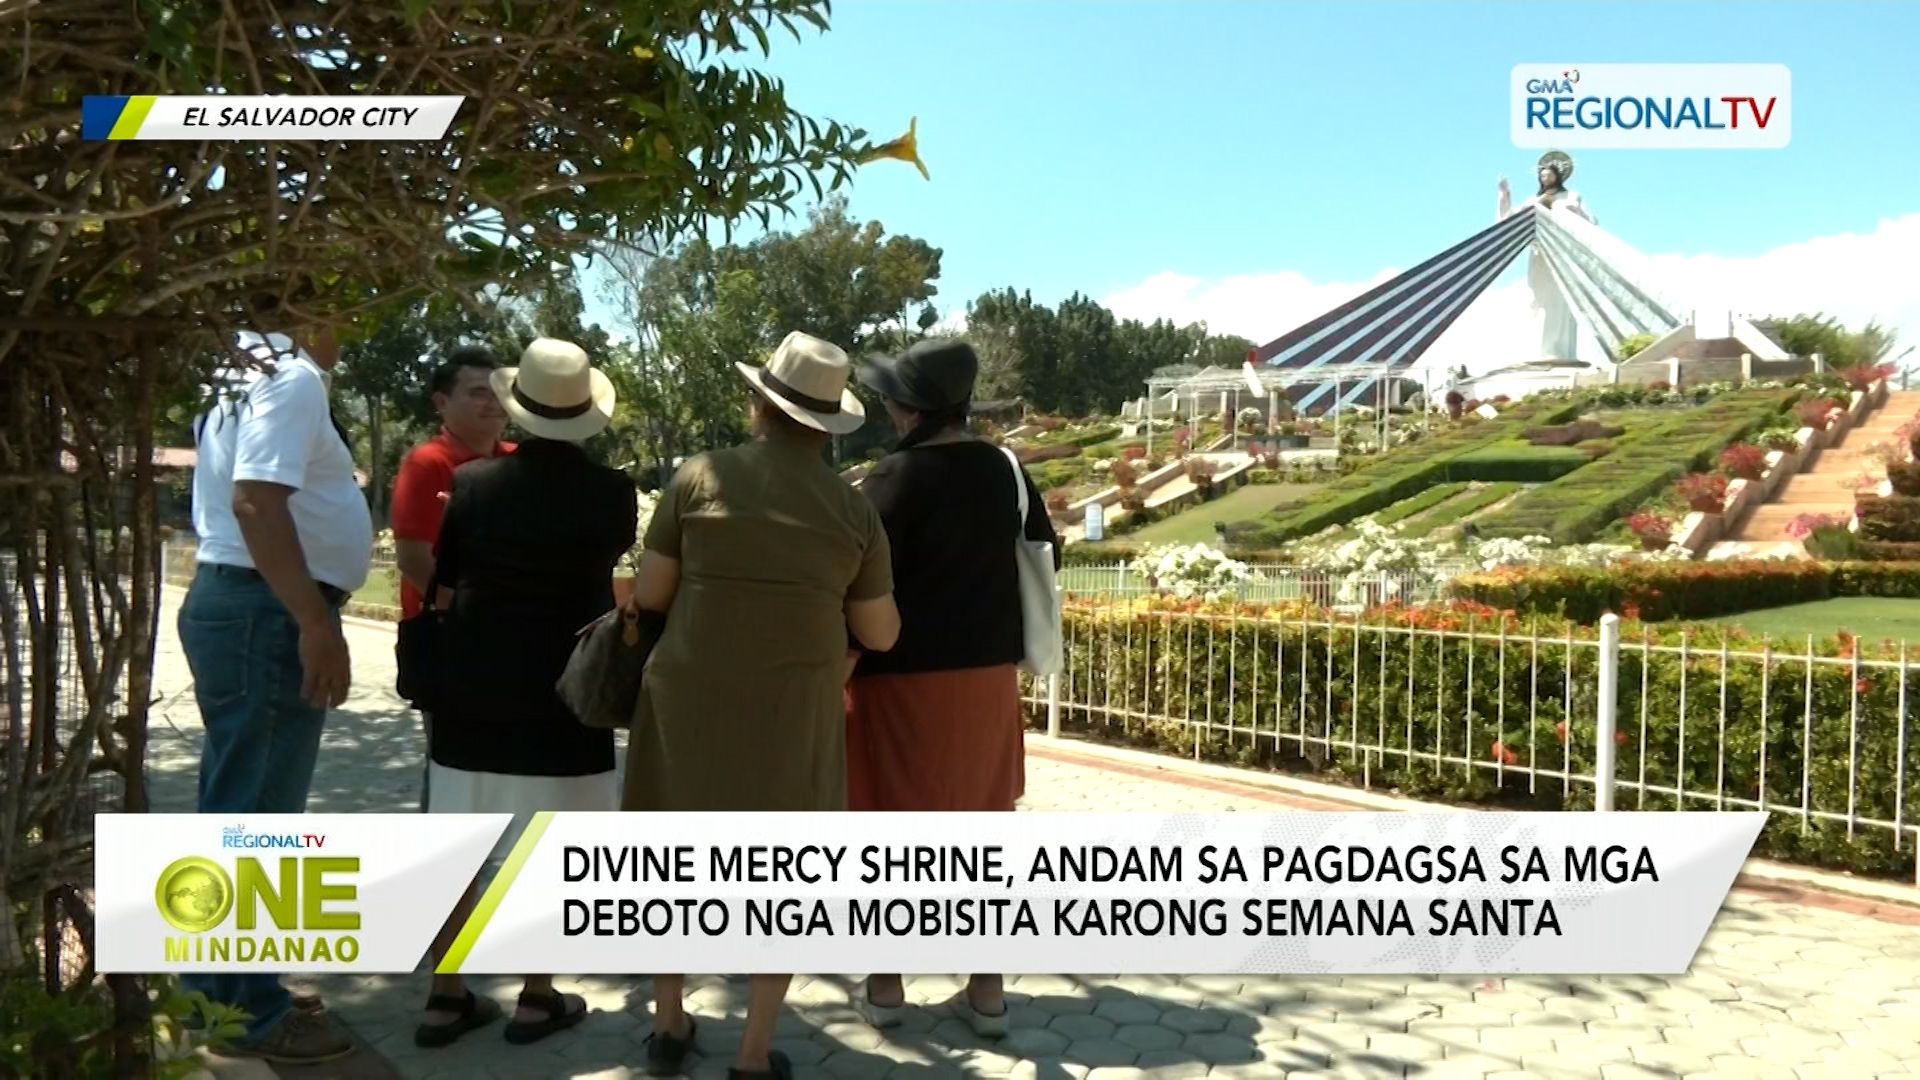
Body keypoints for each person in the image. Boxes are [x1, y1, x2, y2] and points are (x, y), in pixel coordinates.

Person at [626, 331, 899, 1080]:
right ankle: (752, 1054)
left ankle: (669, 1022)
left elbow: (651, 594)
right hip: (793, 715)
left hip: (686, 705)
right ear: (827, 424)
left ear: (759, 405)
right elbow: (880, 630)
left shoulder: (697, 476)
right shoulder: (853, 512)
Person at [414, 339, 636, 1048]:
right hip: (569, 691)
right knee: (554, 847)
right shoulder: (614, 493)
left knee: (456, 839)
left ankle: (446, 994)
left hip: (472, 684)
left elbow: (444, 578)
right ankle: (537, 997)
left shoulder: (474, 484)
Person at [844, 338, 1059, 1037]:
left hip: (895, 685)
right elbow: (1048, 549)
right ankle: (988, 990)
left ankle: (886, 985)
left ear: (908, 409)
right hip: (985, 680)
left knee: (887, 833)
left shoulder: (891, 481)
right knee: (984, 829)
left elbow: (858, 586)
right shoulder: (1005, 470)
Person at [178, 327, 370, 1063]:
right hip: (267, 612)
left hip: (245, 604)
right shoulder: (291, 378)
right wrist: (314, 621)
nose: (351, 327)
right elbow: (258, 502)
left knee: (232, 811)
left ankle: (216, 997)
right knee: (258, 822)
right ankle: (254, 1016)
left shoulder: (239, 369)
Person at [389, 346, 515, 811]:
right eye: (477, 393)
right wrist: (468, 617)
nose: (491, 403)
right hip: (448, 642)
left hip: (512, 644)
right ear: (441, 403)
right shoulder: (427, 464)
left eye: (498, 392)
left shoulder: (519, 462)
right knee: (453, 770)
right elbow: (413, 558)